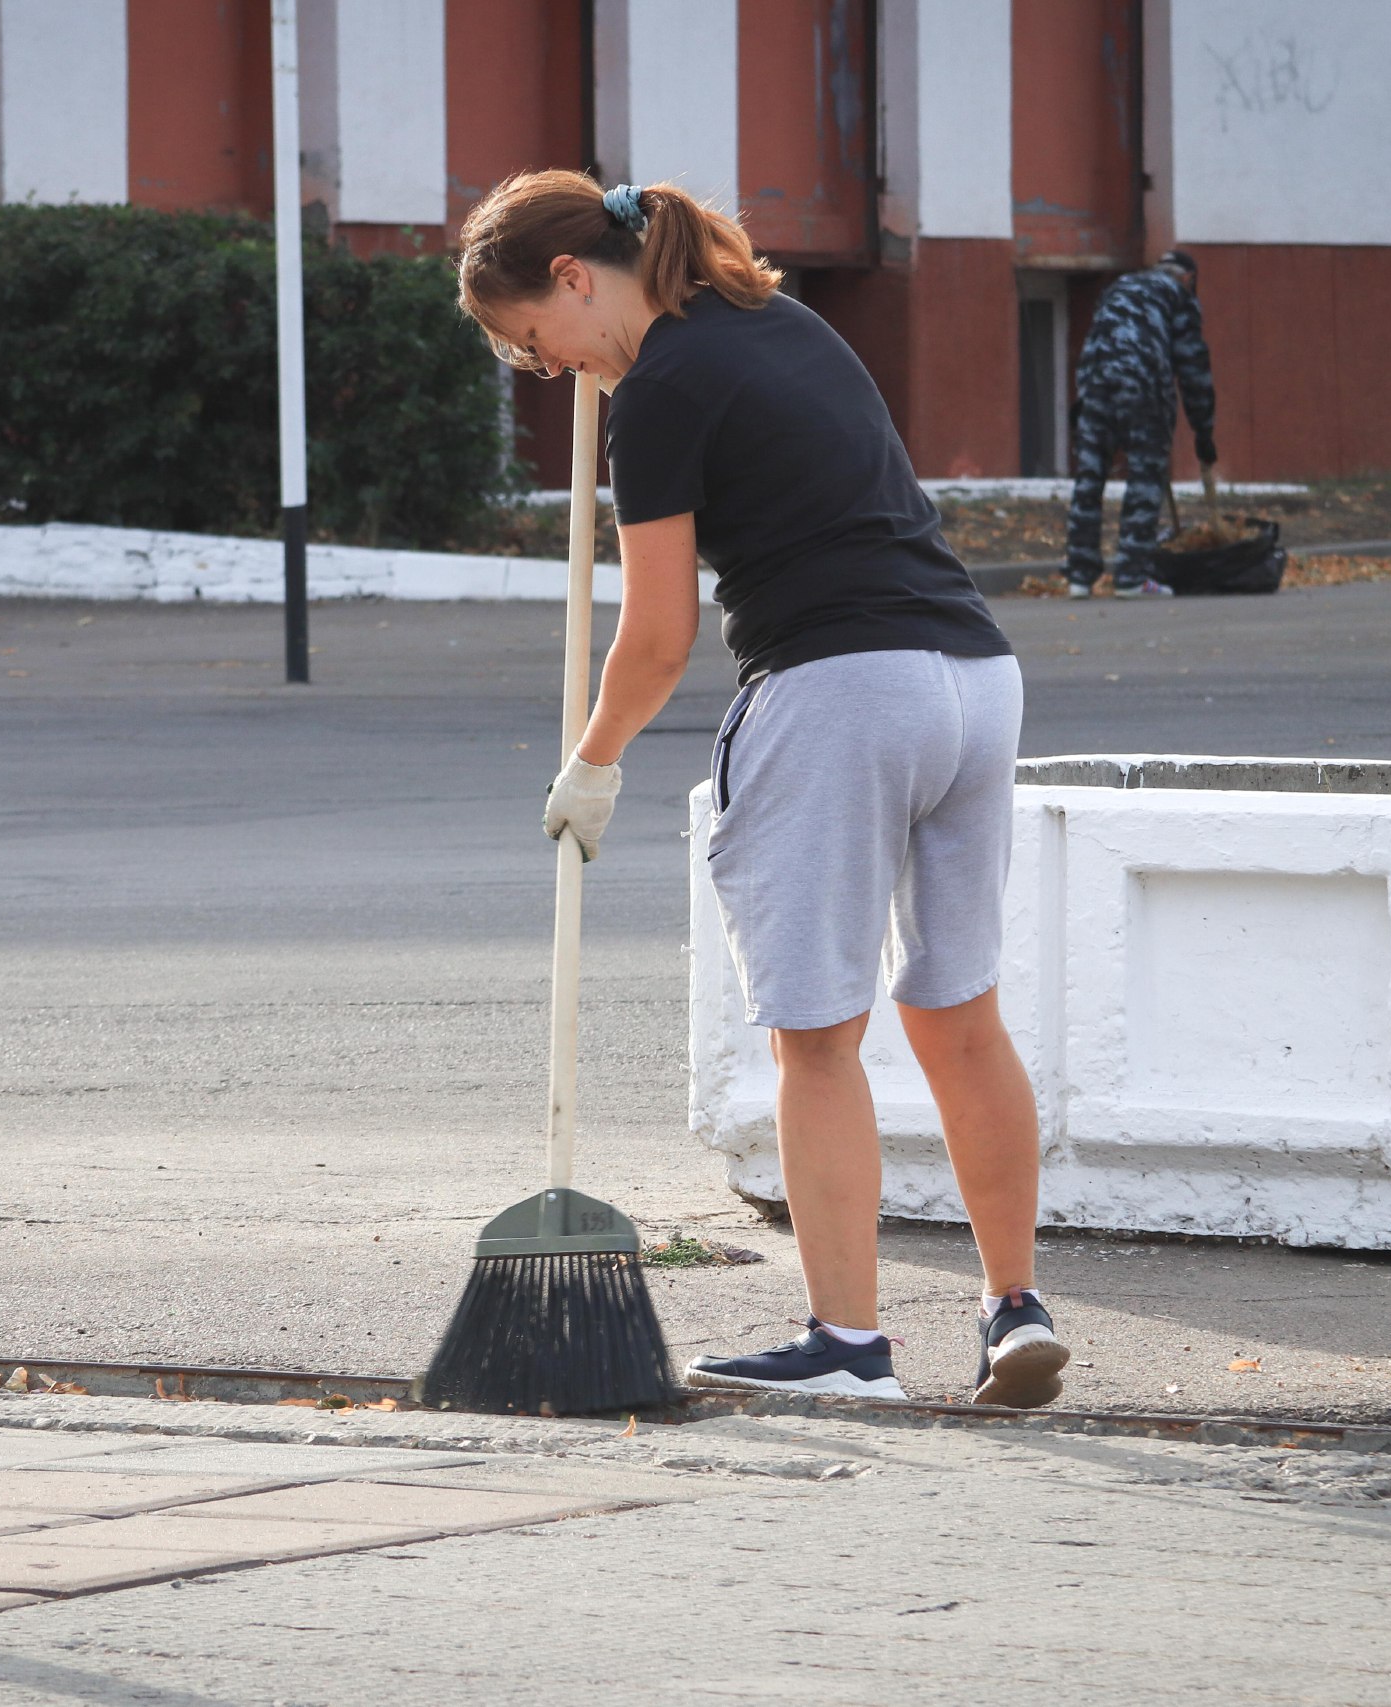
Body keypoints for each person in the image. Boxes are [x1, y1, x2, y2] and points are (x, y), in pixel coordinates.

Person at [455, 171, 1070, 1409]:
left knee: (815, 1037)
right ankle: (1014, 1307)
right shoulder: (779, 319)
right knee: (958, 1014)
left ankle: (847, 1346)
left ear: (573, 280)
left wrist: (593, 758)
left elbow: (661, 631)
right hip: (971, 678)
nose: (553, 371)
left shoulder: (660, 390)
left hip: (840, 690)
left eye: (534, 345)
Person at [1064, 248, 1217, 599]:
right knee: (1145, 476)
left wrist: (1083, 399)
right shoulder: (1178, 295)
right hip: (1143, 387)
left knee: (1089, 477)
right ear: (1188, 278)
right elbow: (1193, 368)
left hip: (1094, 385)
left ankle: (1080, 576)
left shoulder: (1120, 286)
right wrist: (1204, 431)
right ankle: (1132, 576)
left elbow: (1098, 338)